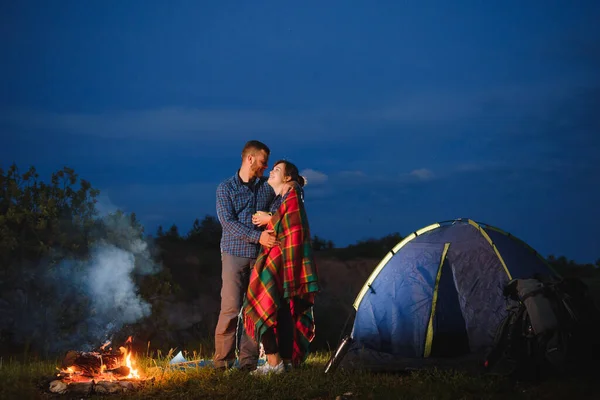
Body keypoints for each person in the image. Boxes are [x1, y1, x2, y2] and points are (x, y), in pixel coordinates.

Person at [243, 160, 319, 375]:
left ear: (287, 178)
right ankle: (283, 362)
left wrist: (270, 219)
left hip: (280, 259)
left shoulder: (292, 193)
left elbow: (293, 226)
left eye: (277, 170)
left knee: (260, 301)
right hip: (282, 259)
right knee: (283, 309)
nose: (271, 172)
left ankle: (275, 362)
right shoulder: (283, 197)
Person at [214, 140, 279, 371]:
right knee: (230, 308)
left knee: (252, 311)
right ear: (249, 159)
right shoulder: (225, 189)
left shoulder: (266, 188)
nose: (265, 166)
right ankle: (222, 362)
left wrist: (270, 216)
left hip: (260, 259)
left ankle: (248, 363)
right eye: (263, 162)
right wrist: (257, 236)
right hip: (233, 254)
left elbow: (284, 207)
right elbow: (227, 223)